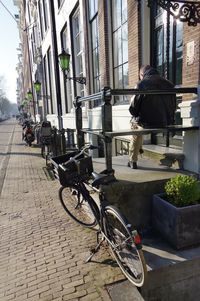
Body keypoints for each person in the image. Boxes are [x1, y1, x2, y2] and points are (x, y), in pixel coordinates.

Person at [128, 65, 176, 169]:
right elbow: (173, 106)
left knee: (134, 127)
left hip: (146, 124)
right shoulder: (169, 84)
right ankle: (139, 150)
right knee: (136, 123)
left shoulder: (141, 84)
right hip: (165, 122)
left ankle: (133, 160)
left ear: (142, 74)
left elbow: (133, 109)